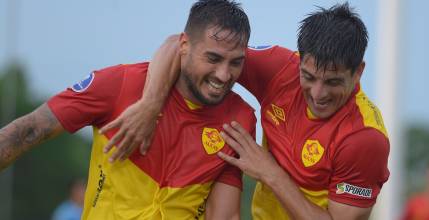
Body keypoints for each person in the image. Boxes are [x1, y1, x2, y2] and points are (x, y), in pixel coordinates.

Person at [103, 2, 390, 220]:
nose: (318, 94)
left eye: (333, 82)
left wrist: (270, 172)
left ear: (358, 72)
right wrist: (150, 105)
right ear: (300, 60)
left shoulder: (365, 138)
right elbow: (181, 46)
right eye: (309, 77)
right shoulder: (280, 68)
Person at [0, 0, 255, 219]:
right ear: (184, 46)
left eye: (235, 63)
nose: (223, 75)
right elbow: (30, 130)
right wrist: (151, 103)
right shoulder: (119, 85)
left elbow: (223, 214)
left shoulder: (240, 119)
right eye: (213, 59)